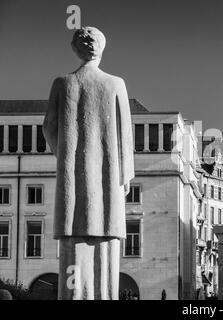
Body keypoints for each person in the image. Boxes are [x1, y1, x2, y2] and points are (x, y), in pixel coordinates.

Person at [43, 26, 134, 300]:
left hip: (74, 182)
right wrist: (125, 175)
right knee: (106, 248)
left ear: (75, 49)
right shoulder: (115, 83)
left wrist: (66, 157)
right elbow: (125, 136)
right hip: (108, 183)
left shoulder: (63, 83)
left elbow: (49, 126)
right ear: (101, 49)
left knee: (73, 244)